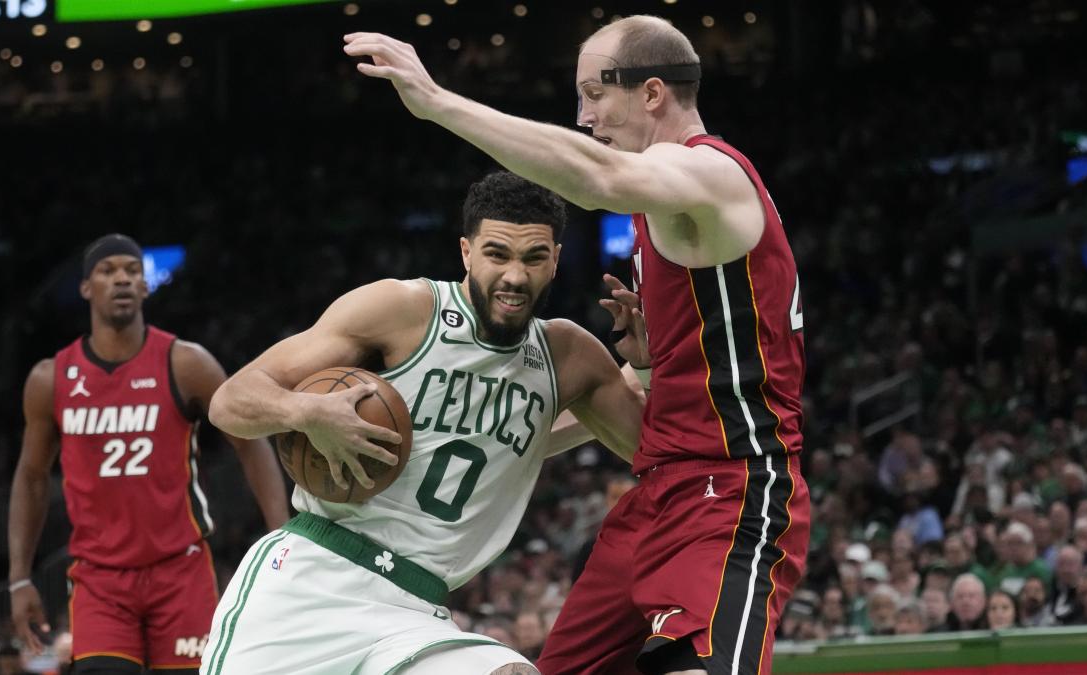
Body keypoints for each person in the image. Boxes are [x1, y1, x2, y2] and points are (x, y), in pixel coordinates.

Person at [344, 13, 810, 675]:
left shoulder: (712, 175)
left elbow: (598, 179)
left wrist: (439, 103)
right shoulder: (670, 218)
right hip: (658, 490)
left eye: (594, 94)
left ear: (651, 93)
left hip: (733, 491)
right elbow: (627, 393)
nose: (585, 116)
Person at [199, 173, 644, 675]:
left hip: (417, 610)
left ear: (556, 260)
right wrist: (309, 413)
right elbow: (230, 400)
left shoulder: (569, 356)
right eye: (498, 254)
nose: (515, 276)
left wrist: (650, 365)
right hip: (312, 581)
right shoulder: (404, 311)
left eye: (533, 258)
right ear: (466, 252)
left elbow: (653, 449)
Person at [8, 234, 290, 673]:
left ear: (145, 286)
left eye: (131, 271)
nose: (121, 278)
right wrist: (20, 578)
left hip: (180, 573)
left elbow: (250, 443)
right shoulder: (51, 379)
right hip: (99, 580)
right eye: (108, 271)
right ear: (86, 287)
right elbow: (30, 477)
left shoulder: (186, 363)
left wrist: (282, 541)